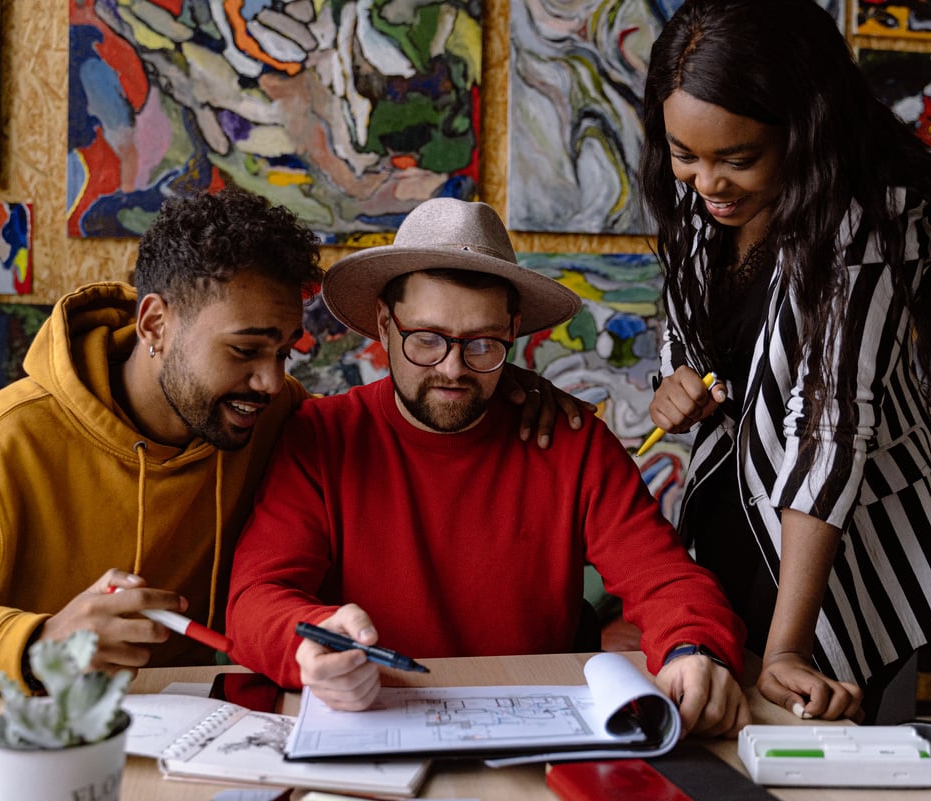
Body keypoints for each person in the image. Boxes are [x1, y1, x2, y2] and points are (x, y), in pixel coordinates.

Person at [0, 186, 580, 696]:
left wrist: (500, 385)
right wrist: (37, 642)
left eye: (285, 351)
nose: (270, 381)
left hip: (224, 741)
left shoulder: (275, 419)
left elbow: (403, 417)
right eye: (245, 350)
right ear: (156, 324)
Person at [226, 198, 751, 739]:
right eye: (426, 339)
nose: (452, 369)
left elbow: (664, 577)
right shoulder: (320, 437)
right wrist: (309, 646)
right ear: (385, 325)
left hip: (536, 737)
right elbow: (255, 599)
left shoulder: (572, 443)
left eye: (482, 343)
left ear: (514, 331)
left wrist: (694, 647)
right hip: (368, 726)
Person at [639, 0, 931, 724]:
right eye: (684, 154)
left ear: (805, 125)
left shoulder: (876, 217)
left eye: (738, 159)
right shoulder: (700, 189)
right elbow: (688, 313)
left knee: (807, 742)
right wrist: (676, 371)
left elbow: (830, 425)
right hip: (733, 513)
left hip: (842, 543)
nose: (706, 183)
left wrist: (790, 644)